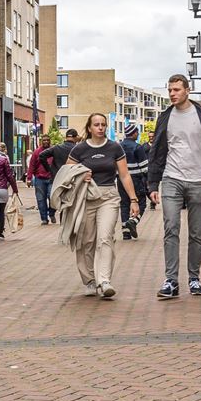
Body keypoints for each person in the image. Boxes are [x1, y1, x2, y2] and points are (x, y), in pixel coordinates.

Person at [147, 75, 201, 299]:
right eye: (170, 90)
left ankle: (194, 278)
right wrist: (153, 183)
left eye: (176, 89)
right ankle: (171, 281)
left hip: (200, 180)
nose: (172, 94)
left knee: (195, 233)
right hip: (172, 178)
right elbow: (157, 151)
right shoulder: (165, 117)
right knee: (170, 228)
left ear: (187, 90)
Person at [67, 113, 140, 299]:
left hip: (109, 196)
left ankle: (104, 280)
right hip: (86, 198)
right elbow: (66, 174)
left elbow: (124, 175)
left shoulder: (114, 147)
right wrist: (81, 175)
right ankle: (90, 280)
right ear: (89, 128)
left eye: (103, 124)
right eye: (96, 125)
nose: (100, 127)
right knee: (86, 241)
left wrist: (133, 199)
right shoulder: (79, 149)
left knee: (106, 237)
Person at [118, 123, 149, 239]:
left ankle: (126, 233)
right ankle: (134, 221)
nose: (138, 134)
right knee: (141, 202)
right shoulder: (137, 147)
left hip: (121, 180)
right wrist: (148, 181)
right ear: (134, 133)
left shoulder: (119, 146)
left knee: (125, 204)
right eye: (137, 132)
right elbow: (145, 167)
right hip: (135, 179)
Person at [27, 135, 55, 225]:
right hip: (39, 179)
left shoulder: (53, 151)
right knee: (40, 199)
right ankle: (44, 218)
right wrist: (29, 178)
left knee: (53, 197)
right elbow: (32, 165)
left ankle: (51, 213)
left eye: (47, 140)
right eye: (44, 140)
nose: (46, 141)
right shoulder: (37, 152)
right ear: (41, 141)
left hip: (51, 178)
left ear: (50, 141)